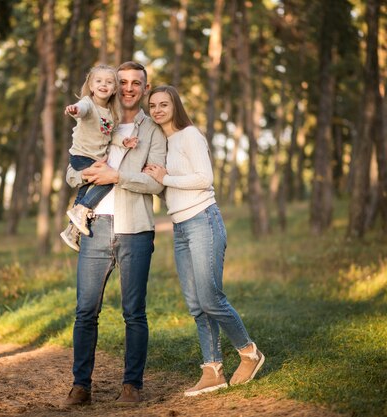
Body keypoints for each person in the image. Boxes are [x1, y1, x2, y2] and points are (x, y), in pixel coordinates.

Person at [143, 85, 264, 397]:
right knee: (196, 305)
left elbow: (204, 178)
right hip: (181, 228)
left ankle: (250, 352)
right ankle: (213, 370)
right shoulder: (162, 144)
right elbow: (160, 185)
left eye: (163, 104)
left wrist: (165, 177)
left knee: (211, 299)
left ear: (175, 106)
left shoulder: (190, 136)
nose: (157, 110)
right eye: (153, 105)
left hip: (203, 220)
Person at [62, 62, 167, 406]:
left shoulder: (151, 130)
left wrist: (117, 177)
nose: (128, 87)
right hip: (94, 228)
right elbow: (71, 172)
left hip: (135, 229)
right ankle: (81, 387)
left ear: (145, 88)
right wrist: (87, 175)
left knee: (133, 312)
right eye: (122, 81)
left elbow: (155, 183)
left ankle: (131, 387)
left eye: (136, 83)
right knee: (85, 311)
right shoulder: (95, 116)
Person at [60, 64, 137, 252]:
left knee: (83, 193)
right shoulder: (88, 103)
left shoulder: (110, 113)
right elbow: (82, 109)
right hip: (83, 156)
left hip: (93, 158)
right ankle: (81, 210)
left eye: (109, 82)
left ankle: (72, 230)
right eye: (99, 81)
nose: (104, 85)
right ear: (91, 86)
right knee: (107, 182)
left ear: (114, 89)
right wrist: (75, 109)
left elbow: (110, 135)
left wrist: (123, 141)